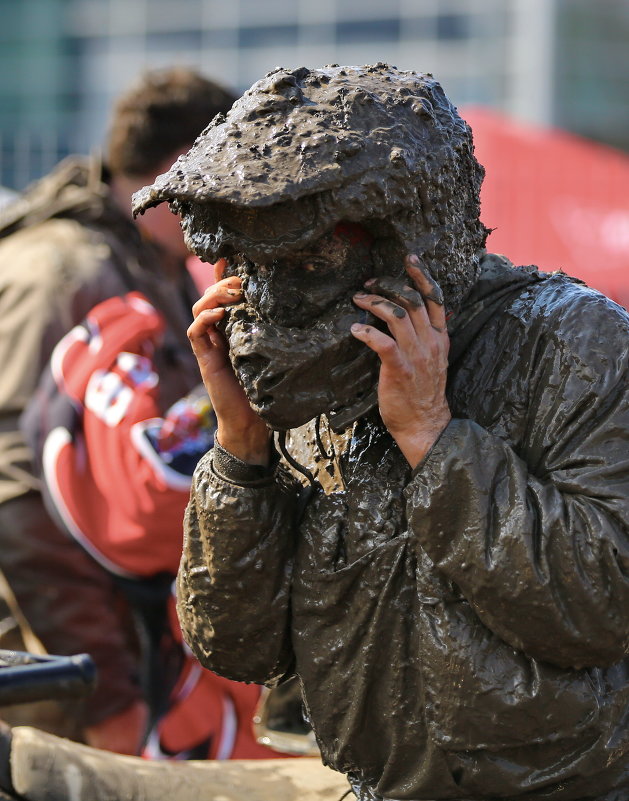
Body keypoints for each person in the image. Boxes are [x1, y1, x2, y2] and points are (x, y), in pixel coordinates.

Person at [134, 64, 629, 800]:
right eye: (245, 267)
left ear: (406, 241)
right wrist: (240, 454)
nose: (264, 309)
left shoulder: (570, 343)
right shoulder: (305, 383)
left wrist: (435, 438)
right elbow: (234, 642)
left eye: (303, 263)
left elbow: (603, 604)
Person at [0, 66, 236, 753]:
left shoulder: (147, 263)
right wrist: (102, 689)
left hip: (93, 652)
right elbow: (15, 494)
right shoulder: (63, 271)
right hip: (44, 673)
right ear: (183, 168)